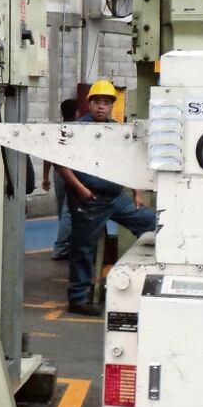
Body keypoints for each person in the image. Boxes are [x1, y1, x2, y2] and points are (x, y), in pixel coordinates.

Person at [55, 80, 156, 316]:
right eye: (98, 102)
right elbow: (60, 162)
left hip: (116, 198)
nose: (102, 107)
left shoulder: (116, 129)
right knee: (83, 249)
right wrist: (80, 189)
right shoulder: (77, 129)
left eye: (107, 103)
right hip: (89, 200)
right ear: (89, 104)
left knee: (152, 223)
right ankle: (78, 299)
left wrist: (137, 192)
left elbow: (129, 161)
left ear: (112, 106)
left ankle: (144, 281)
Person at [42, 98, 79, 259]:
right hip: (74, 173)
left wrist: (45, 177)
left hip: (58, 173)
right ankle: (61, 247)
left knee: (62, 210)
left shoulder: (57, 130)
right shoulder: (80, 129)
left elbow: (48, 155)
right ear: (77, 113)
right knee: (69, 211)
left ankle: (68, 244)